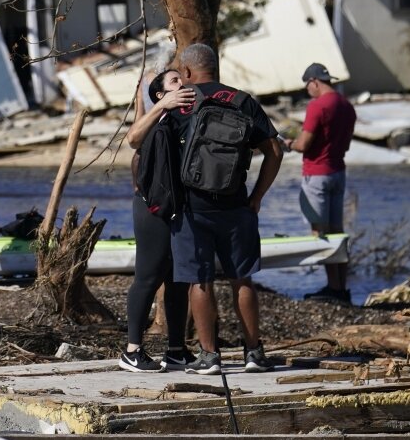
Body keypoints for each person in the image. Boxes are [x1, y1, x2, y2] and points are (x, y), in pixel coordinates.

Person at [167, 44, 283, 375]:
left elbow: (151, 151)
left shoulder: (181, 104)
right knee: (241, 278)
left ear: (187, 72)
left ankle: (210, 356)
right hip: (236, 204)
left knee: (199, 281)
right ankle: (253, 353)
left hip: (191, 207)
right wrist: (257, 196)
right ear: (216, 69)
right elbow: (274, 151)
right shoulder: (243, 101)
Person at [119, 67, 195, 373]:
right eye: (175, 81)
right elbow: (133, 138)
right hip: (151, 209)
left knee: (177, 280)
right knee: (148, 276)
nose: (182, 84)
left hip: (177, 208)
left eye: (183, 79)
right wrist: (157, 105)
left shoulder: (182, 117)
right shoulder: (159, 117)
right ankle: (132, 350)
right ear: (161, 95)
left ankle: (176, 349)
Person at [285, 62, 356, 305]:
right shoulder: (347, 106)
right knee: (338, 232)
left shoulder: (317, 106)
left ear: (314, 81)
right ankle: (341, 288)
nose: (308, 91)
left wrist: (289, 144)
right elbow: (345, 144)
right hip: (338, 172)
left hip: (316, 175)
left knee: (321, 233)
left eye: (308, 86)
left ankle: (332, 289)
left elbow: (304, 144)